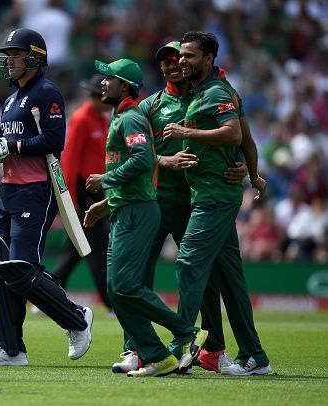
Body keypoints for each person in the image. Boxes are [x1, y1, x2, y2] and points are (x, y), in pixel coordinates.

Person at [111, 40, 262, 375]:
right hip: (156, 199)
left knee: (205, 278)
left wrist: (240, 167)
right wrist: (165, 160)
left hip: (197, 201)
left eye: (177, 58)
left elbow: (233, 138)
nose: (171, 65)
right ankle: (134, 348)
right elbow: (135, 154)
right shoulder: (151, 106)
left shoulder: (206, 95)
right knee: (138, 276)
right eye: (165, 61)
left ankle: (210, 350)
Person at [0, 28, 93, 366]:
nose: (8, 60)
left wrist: (10, 145)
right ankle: (10, 350)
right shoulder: (10, 100)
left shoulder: (47, 93)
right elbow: (9, 145)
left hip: (36, 190)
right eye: (6, 55)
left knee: (22, 269)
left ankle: (77, 318)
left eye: (15, 54)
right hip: (7, 190)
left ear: (35, 57)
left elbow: (55, 141)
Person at [83, 58, 207, 377]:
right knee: (116, 290)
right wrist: (107, 203)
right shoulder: (122, 117)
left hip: (138, 210)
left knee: (125, 285)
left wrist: (105, 181)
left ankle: (188, 333)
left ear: (125, 86)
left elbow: (142, 160)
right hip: (126, 207)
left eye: (109, 77)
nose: (102, 82)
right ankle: (155, 355)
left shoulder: (131, 118)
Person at [163, 31, 271, 375]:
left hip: (214, 197)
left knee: (188, 263)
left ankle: (181, 345)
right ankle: (255, 356)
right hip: (210, 194)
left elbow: (235, 135)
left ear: (209, 59)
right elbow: (248, 141)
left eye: (190, 56)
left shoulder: (217, 92)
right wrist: (252, 175)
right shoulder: (206, 92)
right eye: (181, 55)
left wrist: (187, 133)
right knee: (230, 281)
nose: (182, 60)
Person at [51, 74, 112, 312]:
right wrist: (71, 200)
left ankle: (48, 293)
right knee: (97, 247)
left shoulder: (101, 120)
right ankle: (111, 303)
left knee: (76, 247)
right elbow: (69, 161)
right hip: (81, 191)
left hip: (96, 191)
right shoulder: (82, 119)